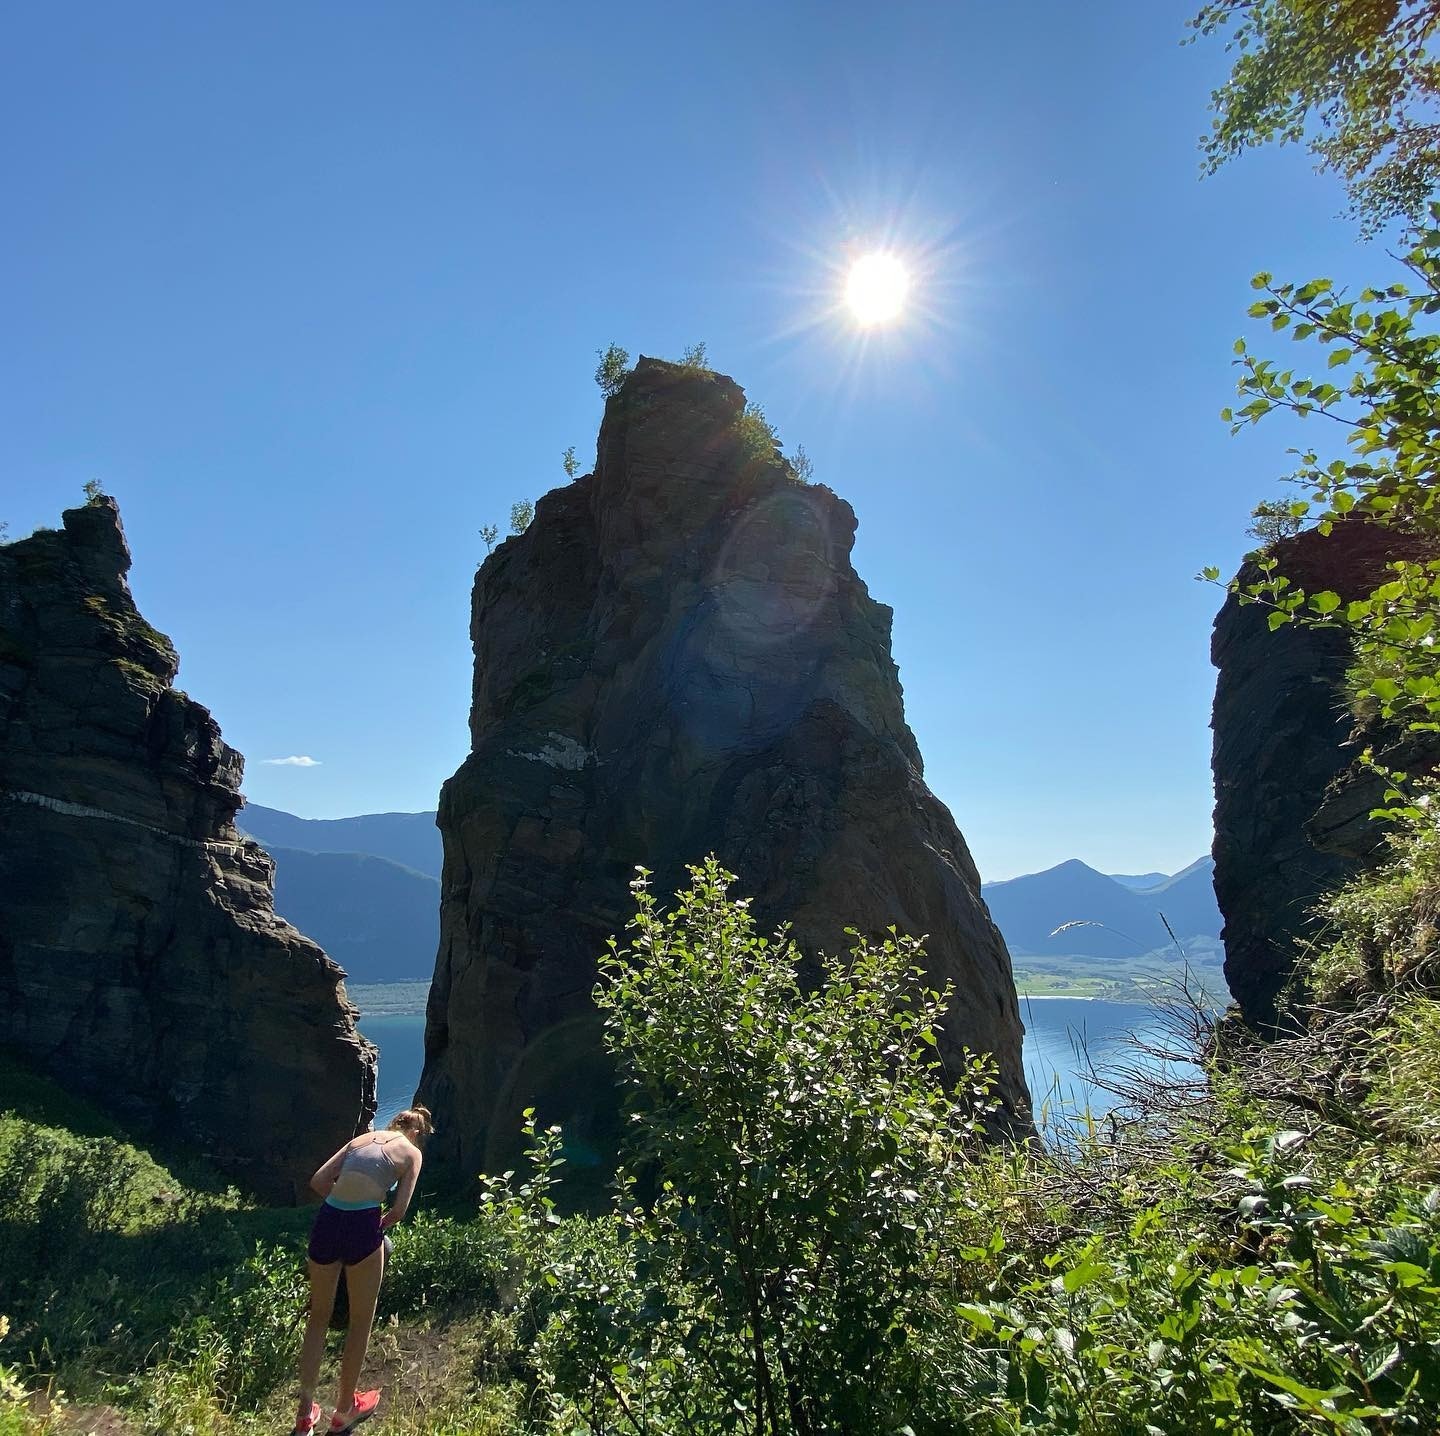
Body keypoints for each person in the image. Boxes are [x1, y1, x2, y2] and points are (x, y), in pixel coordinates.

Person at [291, 1106, 432, 1436]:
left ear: (395, 1123)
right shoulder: (411, 1152)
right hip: (363, 1226)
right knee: (360, 1322)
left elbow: (319, 1180)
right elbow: (399, 1210)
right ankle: (343, 1411)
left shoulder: (361, 1140)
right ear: (417, 1133)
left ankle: (303, 1416)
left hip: (327, 1220)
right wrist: (372, 1223)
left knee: (318, 1318)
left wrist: (341, 1207)